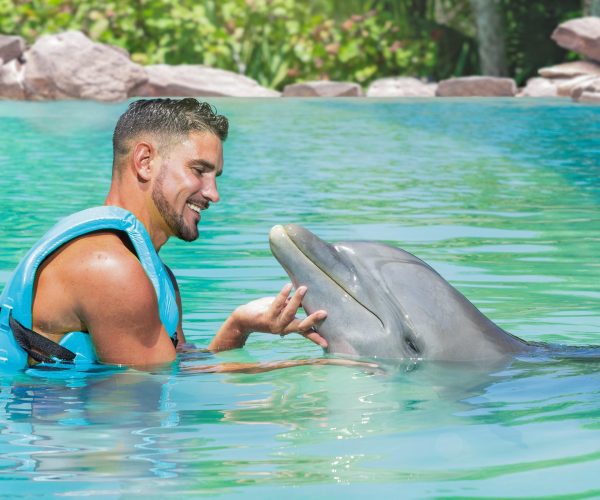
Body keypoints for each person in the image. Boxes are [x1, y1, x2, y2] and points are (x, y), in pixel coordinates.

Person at [0, 98, 331, 371]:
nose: (213, 193)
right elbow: (157, 396)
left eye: (215, 177)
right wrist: (309, 367)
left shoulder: (155, 275)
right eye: (199, 170)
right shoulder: (110, 270)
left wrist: (238, 325)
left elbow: (179, 370)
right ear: (145, 161)